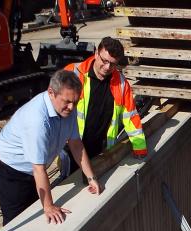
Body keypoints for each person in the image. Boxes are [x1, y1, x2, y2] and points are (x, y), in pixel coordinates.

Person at [0, 69, 103, 226]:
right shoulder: (37, 120)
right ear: (51, 93)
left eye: (75, 102)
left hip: (33, 167)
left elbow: (76, 144)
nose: (72, 107)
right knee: (16, 219)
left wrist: (92, 178)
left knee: (35, 207)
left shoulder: (67, 109)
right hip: (12, 167)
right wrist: (49, 206)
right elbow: (39, 169)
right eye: (67, 102)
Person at [63, 36, 147, 175]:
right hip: (71, 148)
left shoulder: (120, 83)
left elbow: (130, 117)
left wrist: (140, 147)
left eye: (113, 64)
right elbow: (55, 109)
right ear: (96, 53)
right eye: (104, 61)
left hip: (102, 151)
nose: (107, 67)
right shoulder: (73, 74)